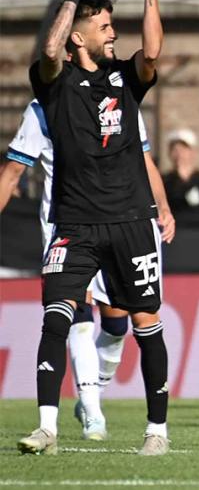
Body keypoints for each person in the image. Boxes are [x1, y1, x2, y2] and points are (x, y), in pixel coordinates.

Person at [18, 0, 172, 456]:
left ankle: (156, 432)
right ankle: (47, 427)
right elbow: (47, 52)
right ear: (79, 36)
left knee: (144, 321)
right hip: (74, 225)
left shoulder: (125, 79)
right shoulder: (54, 88)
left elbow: (151, 54)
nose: (114, 33)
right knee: (56, 317)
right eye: (104, 26)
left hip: (131, 220)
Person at [1, 98, 174, 442]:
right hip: (66, 228)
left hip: (119, 226)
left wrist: (163, 206)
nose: (111, 42)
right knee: (71, 313)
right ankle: (89, 413)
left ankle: (95, 393)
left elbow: (143, 157)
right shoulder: (44, 108)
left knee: (116, 322)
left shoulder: (120, 96)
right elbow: (12, 174)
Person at [161, 128, 199, 210]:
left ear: (193, 152)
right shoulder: (164, 181)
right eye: (175, 149)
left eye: (183, 149)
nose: (179, 154)